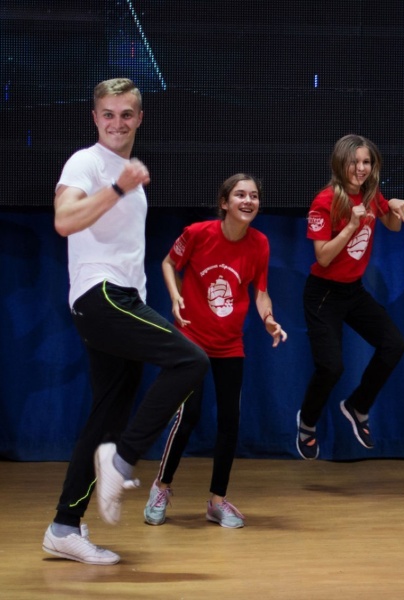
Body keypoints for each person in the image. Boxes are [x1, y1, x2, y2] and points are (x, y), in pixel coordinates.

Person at [42, 78, 209, 565]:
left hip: (122, 297)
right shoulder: (87, 162)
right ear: (95, 118)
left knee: (106, 416)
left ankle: (63, 527)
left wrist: (124, 186)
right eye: (109, 114)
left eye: (127, 114)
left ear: (139, 118)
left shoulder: (128, 175)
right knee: (190, 360)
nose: (117, 123)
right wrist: (117, 187)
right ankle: (121, 461)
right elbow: (64, 221)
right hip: (101, 295)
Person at [143, 173, 288, 529]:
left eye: (254, 196)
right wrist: (176, 296)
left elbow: (261, 292)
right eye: (240, 195)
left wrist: (269, 319)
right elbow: (168, 263)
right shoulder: (197, 233)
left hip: (229, 344)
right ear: (224, 203)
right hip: (190, 341)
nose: (248, 201)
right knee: (188, 415)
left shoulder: (260, 244)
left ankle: (217, 501)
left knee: (229, 422)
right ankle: (160, 488)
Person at [294, 134, 404, 460]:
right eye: (354, 162)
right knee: (331, 368)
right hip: (323, 293)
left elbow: (393, 226)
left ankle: (358, 406)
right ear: (340, 163)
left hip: (353, 291)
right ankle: (307, 423)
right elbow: (323, 257)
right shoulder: (325, 201)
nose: (361, 168)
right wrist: (350, 226)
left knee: (394, 344)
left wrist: (397, 206)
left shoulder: (371, 193)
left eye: (366, 162)